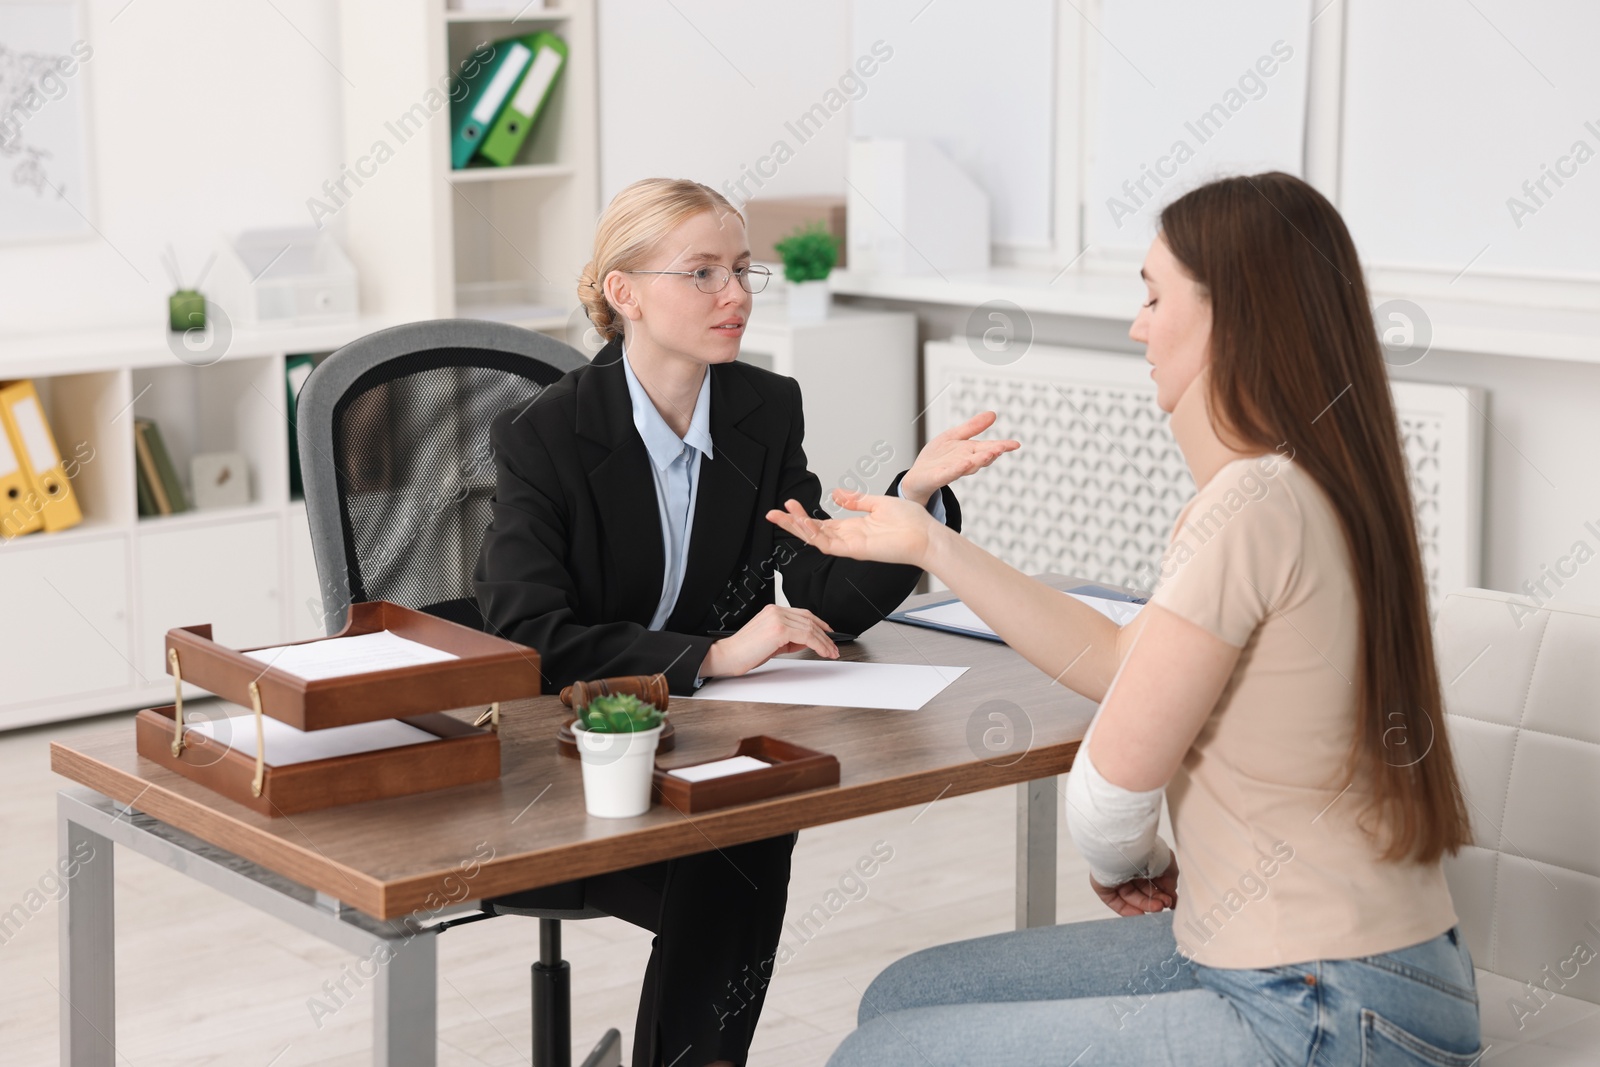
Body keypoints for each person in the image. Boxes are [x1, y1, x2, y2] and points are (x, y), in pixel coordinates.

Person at [769, 172, 1482, 1066]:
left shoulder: (1254, 502)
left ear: (1234, 315)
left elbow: (1109, 791)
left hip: (1326, 1003)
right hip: (1356, 978)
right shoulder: (1309, 482)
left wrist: (1127, 861)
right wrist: (932, 546)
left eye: (1153, 296)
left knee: (876, 1055)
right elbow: (1115, 659)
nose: (1137, 325)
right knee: (906, 995)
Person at [474, 177, 1017, 1067]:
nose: (734, 295)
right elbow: (533, 634)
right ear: (625, 292)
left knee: (747, 828)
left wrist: (912, 503)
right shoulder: (544, 435)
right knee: (737, 852)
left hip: (689, 742)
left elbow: (814, 592)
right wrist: (717, 655)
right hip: (567, 749)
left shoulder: (764, 409)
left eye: (740, 269)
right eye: (701, 274)